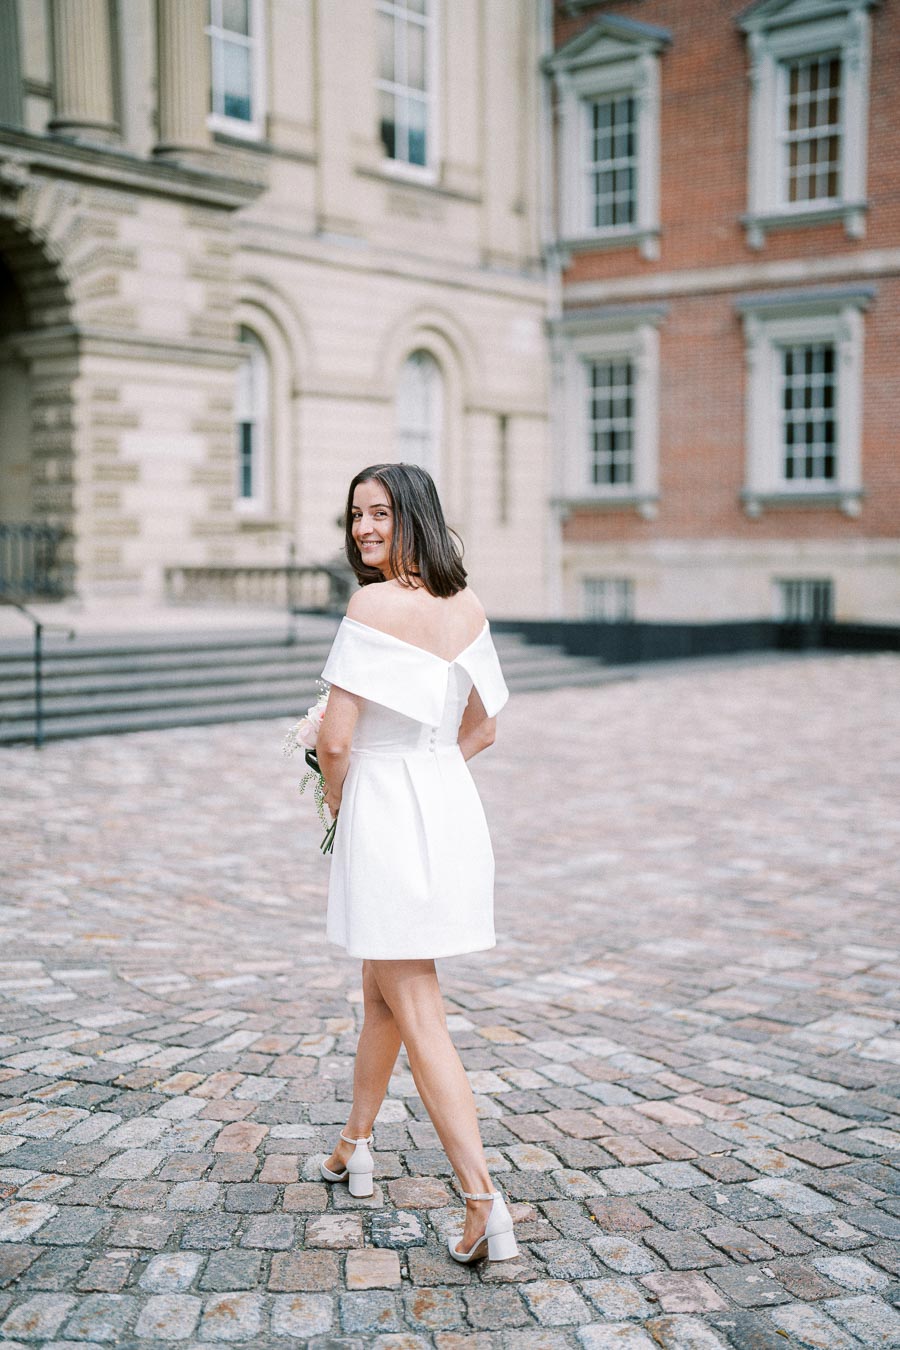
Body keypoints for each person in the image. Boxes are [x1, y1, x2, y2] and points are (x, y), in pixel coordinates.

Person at [313, 462, 517, 1265]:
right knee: (383, 994)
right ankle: (354, 1143)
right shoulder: (465, 607)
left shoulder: (371, 605)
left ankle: (482, 1204)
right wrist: (429, 769)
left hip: (389, 819)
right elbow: (486, 728)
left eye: (381, 515)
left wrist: (347, 803)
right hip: (450, 810)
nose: (364, 528)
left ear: (415, 518)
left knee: (416, 1006)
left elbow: (335, 741)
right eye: (356, 514)